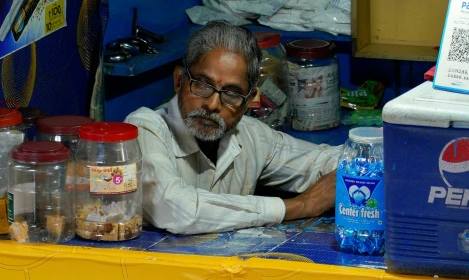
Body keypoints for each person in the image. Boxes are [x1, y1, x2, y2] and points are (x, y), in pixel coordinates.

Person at [124, 21, 340, 235]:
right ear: (179, 80)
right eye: (202, 85)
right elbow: (176, 209)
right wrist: (301, 205)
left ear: (248, 102)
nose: (212, 105)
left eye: (232, 94)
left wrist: (357, 167)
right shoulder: (143, 129)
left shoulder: (251, 135)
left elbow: (328, 161)